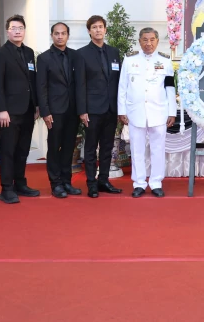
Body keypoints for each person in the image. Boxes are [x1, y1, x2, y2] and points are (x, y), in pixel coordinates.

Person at [117, 28, 176, 197]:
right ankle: (139, 183)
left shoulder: (165, 61)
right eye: (145, 40)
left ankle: (156, 183)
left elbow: (170, 88)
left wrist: (172, 112)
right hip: (135, 112)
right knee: (137, 150)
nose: (148, 43)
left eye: (152, 40)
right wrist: (122, 110)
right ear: (139, 41)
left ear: (157, 41)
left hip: (159, 111)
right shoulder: (130, 60)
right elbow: (122, 87)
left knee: (158, 149)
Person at [0, 14, 41, 203]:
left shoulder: (28, 52)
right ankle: (7, 188)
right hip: (9, 112)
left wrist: (36, 104)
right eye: (14, 28)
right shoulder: (0, 53)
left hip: (28, 109)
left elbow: (32, 79)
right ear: (7, 31)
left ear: (24, 31)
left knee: (23, 150)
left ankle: (20, 183)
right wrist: (2, 109)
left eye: (20, 28)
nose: (17, 31)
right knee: (8, 151)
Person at [76, 15, 123, 198]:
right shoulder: (82, 54)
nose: (98, 30)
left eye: (101, 27)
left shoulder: (114, 52)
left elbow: (119, 82)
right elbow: (80, 84)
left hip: (111, 109)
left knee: (107, 147)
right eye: (94, 27)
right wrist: (82, 110)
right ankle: (91, 183)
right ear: (89, 31)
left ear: (105, 29)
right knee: (90, 148)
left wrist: (120, 108)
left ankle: (103, 180)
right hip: (92, 110)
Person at [36, 22, 83, 198]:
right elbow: (41, 86)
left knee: (69, 147)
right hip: (54, 110)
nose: (60, 36)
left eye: (63, 33)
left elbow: (80, 83)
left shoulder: (75, 56)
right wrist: (45, 112)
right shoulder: (44, 58)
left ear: (68, 36)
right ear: (52, 35)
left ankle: (66, 182)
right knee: (54, 147)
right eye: (57, 33)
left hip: (72, 110)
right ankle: (55, 184)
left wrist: (81, 109)